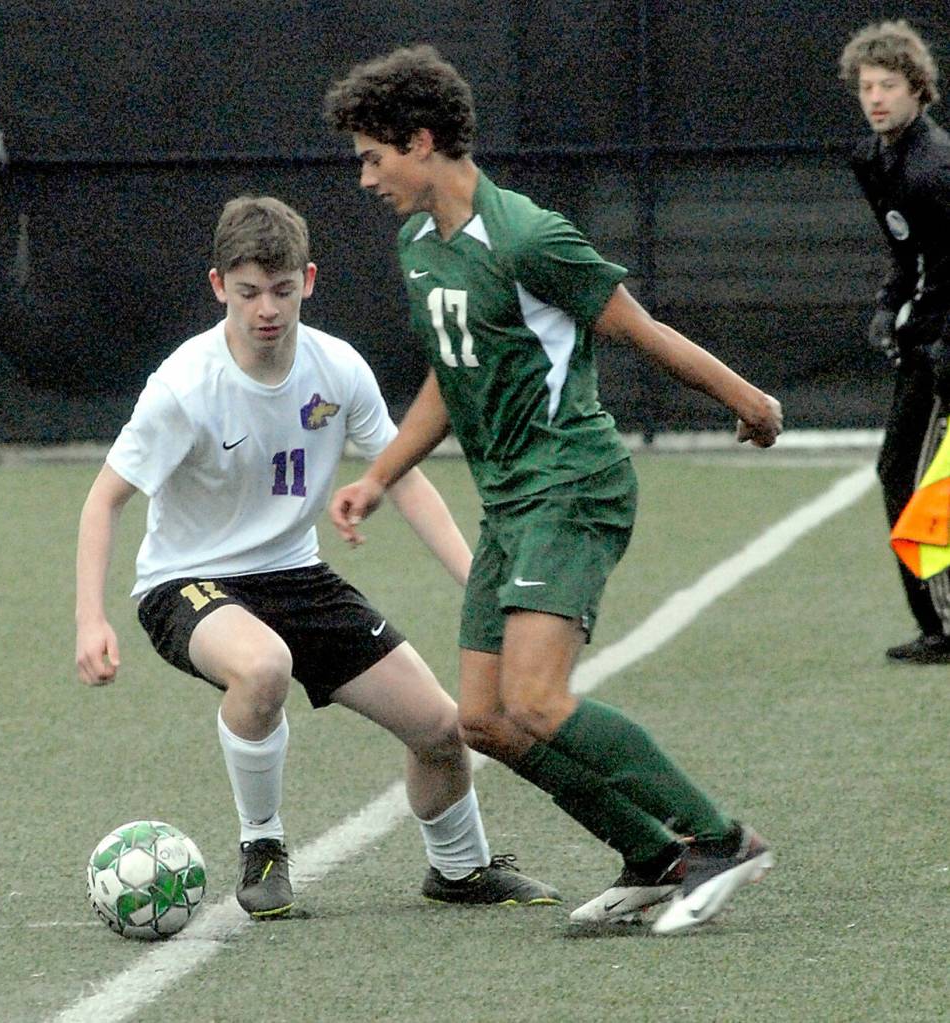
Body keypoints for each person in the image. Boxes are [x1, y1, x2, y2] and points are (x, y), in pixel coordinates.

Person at [324, 45, 782, 935]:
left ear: (421, 141)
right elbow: (450, 375)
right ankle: (653, 855)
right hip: (510, 502)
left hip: (572, 483)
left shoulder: (529, 237)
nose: (366, 177)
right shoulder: (419, 246)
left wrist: (747, 399)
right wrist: (380, 475)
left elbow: (636, 329)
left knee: (536, 699)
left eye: (373, 157)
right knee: (486, 721)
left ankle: (722, 839)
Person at [75, 195, 560, 920]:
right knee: (263, 666)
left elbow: (403, 477)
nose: (265, 308)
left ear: (307, 278)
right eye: (247, 292)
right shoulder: (184, 386)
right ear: (218, 287)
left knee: (441, 727)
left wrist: (477, 580)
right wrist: (90, 618)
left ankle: (459, 871)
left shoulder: (338, 369)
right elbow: (103, 500)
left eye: (280, 289)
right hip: (187, 583)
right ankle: (262, 846)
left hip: (297, 576)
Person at [840, 19, 950, 664]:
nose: (876, 98)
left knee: (911, 479)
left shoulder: (935, 169)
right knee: (906, 476)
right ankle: (937, 623)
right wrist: (889, 304)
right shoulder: (875, 160)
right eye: (866, 87)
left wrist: (944, 345)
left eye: (889, 86)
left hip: (943, 345)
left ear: (918, 91)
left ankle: (942, 625)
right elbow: (909, 252)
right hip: (926, 338)